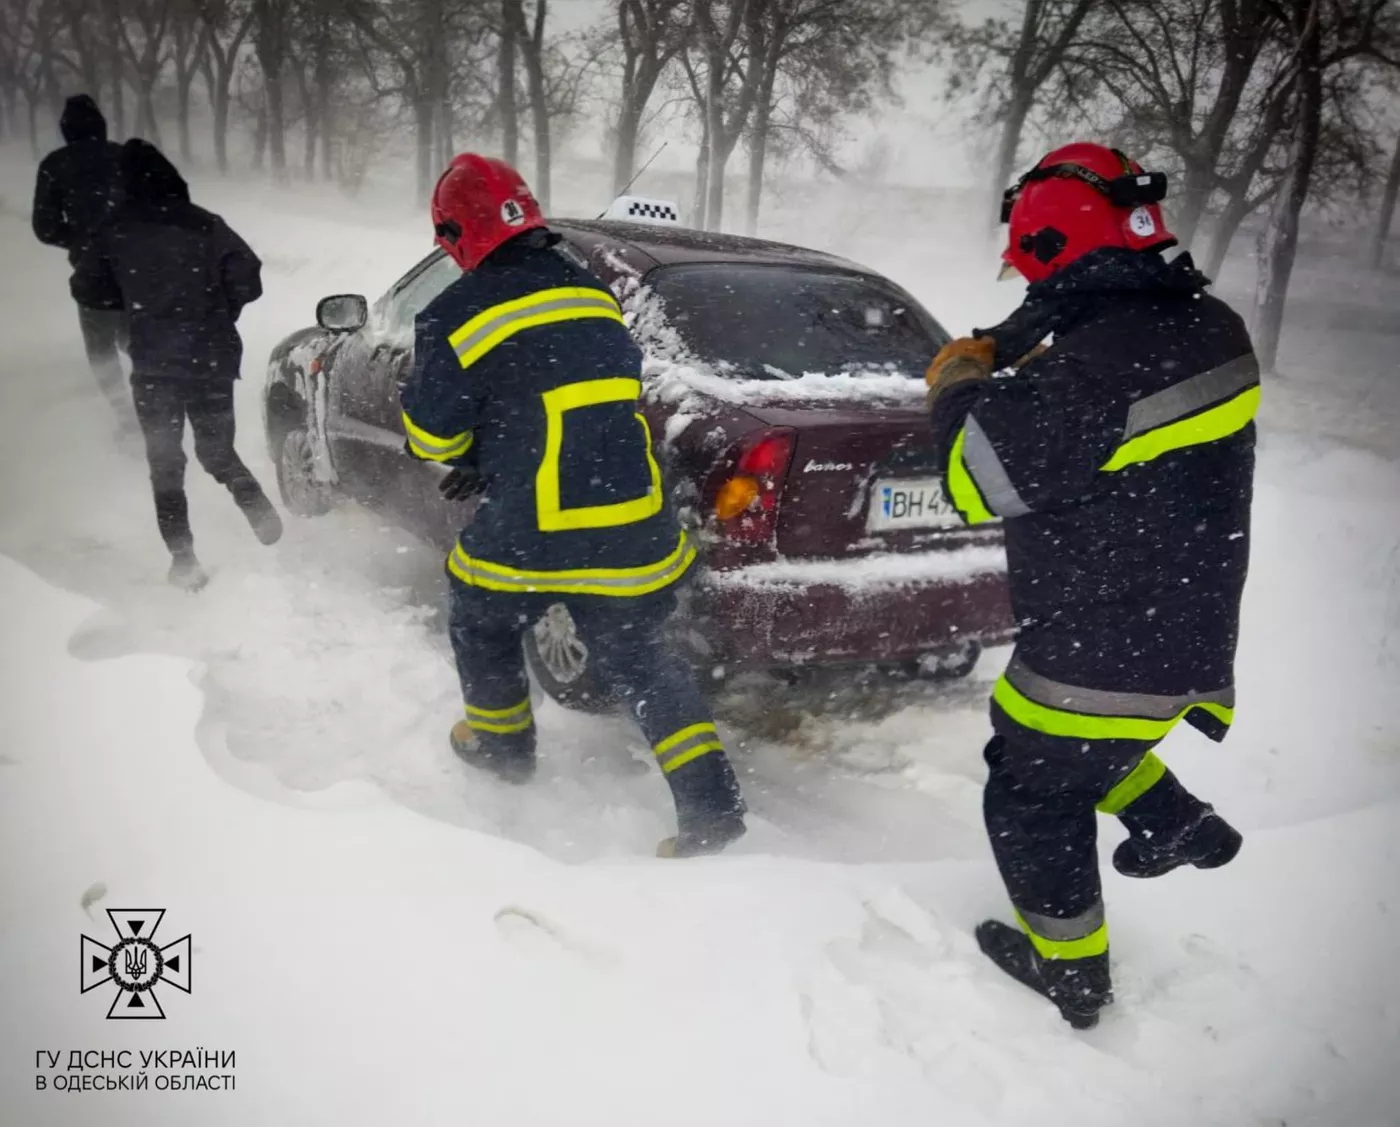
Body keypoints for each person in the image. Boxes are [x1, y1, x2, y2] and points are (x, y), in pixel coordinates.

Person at [925, 143, 1258, 1028]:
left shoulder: (1093, 371)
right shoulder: (1205, 327)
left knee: (1029, 788)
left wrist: (961, 380)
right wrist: (1022, 334)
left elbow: (972, 477)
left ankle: (1069, 972)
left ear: (1048, 249)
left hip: (1100, 637)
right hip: (1177, 624)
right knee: (1074, 750)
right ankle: (1181, 825)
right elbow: (1103, 329)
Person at [398, 153, 746, 857]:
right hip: (632, 517)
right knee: (643, 658)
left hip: (536, 525)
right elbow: (566, 395)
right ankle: (714, 807)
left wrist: (473, 450)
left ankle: (502, 745)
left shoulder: (454, 312)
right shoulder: (591, 292)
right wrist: (499, 440)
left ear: (454, 236)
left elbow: (430, 432)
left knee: (479, 611)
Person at [73, 140, 282, 590]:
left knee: (165, 463)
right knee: (215, 450)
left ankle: (184, 560)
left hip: (154, 365)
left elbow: (87, 290)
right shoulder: (206, 224)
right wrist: (218, 310)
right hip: (211, 358)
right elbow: (248, 274)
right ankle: (252, 499)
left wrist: (130, 300)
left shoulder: (115, 231)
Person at [32, 93, 133, 430]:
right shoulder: (125, 158)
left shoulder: (54, 166)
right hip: (136, 269)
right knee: (137, 340)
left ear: (66, 129)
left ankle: (125, 415)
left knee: (101, 349)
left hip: (93, 275)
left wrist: (76, 239)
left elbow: (44, 227)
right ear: (101, 126)